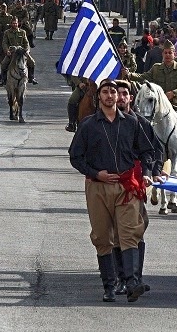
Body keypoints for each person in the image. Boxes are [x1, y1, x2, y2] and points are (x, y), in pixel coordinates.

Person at [68, 79, 162, 303]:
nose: (111, 96)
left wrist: (148, 171)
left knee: (129, 233)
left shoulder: (132, 123)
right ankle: (109, 286)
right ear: (99, 97)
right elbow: (75, 157)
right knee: (102, 237)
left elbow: (148, 150)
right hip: (98, 187)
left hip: (125, 187)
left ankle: (131, 282)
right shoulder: (89, 125)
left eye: (113, 92)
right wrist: (95, 172)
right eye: (106, 92)